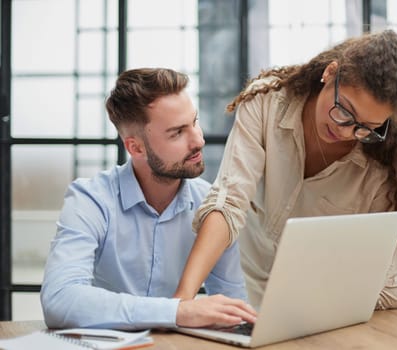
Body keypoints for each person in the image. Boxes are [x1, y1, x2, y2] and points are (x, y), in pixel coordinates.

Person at [174, 30, 397, 309]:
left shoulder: (385, 162)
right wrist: (181, 302)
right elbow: (228, 201)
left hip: (318, 310)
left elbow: (390, 290)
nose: (345, 131)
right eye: (344, 109)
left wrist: (310, 308)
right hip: (241, 297)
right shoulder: (266, 103)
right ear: (331, 73)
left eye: (366, 128)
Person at [40, 68, 257, 330]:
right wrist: (176, 312)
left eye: (195, 122)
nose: (198, 140)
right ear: (135, 147)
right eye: (177, 133)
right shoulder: (90, 199)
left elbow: (235, 308)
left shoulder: (212, 206)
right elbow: (60, 300)